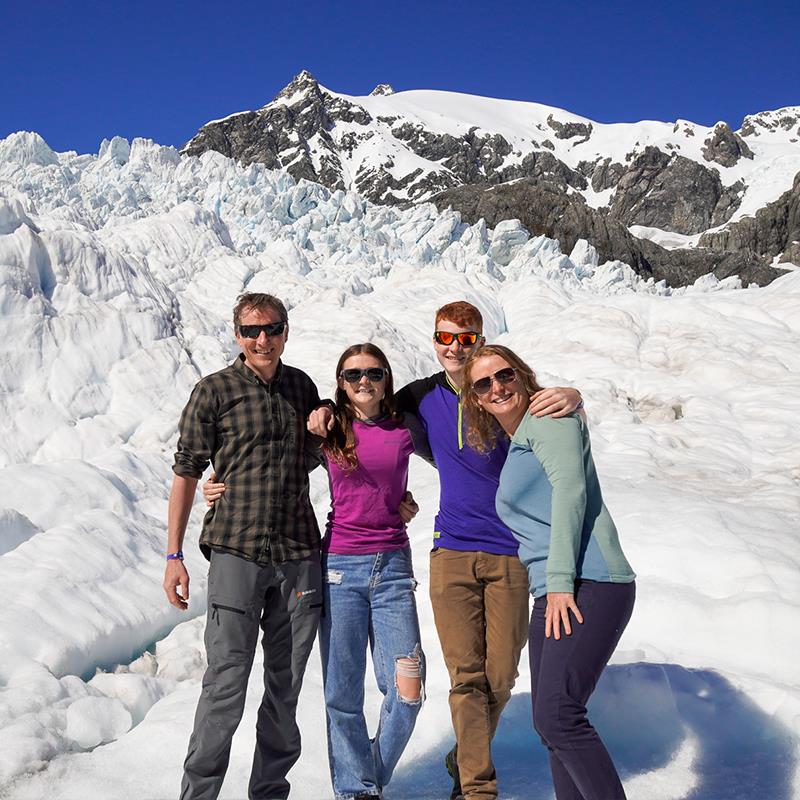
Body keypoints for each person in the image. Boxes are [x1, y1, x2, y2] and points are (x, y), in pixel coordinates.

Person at [309, 301, 582, 800]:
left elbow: (552, 415)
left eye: (467, 337)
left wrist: (573, 395)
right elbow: (363, 416)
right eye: (445, 337)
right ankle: (473, 787)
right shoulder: (418, 398)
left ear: (482, 339)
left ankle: (463, 754)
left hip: (511, 550)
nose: (455, 347)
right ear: (434, 341)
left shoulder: (502, 391)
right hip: (448, 550)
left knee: (501, 676)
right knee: (465, 677)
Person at [204, 343, 429, 800]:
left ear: (387, 378)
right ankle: (356, 790)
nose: (364, 381)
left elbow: (458, 461)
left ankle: (369, 773)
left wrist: (407, 503)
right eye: (353, 374)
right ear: (341, 383)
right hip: (340, 568)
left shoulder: (405, 428)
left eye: (374, 373)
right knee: (342, 695)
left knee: (408, 688)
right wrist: (218, 483)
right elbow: (273, 460)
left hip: (393, 568)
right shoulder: (330, 430)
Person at [163, 292, 325, 800]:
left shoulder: (302, 387)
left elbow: (318, 454)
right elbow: (187, 471)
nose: (262, 339)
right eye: (252, 330)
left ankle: (269, 792)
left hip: (298, 553)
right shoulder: (214, 391)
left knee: (286, 688)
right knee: (226, 685)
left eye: (272, 329)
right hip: (236, 550)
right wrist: (174, 556)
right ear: (237, 335)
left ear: (285, 332)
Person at [462, 344, 636, 800]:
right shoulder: (523, 436)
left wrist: (560, 584)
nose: (497, 387)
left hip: (587, 581)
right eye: (483, 383)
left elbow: (570, 495)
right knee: (552, 724)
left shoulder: (547, 420)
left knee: (559, 718)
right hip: (555, 587)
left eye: (505, 375)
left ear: (522, 375)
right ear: (475, 398)